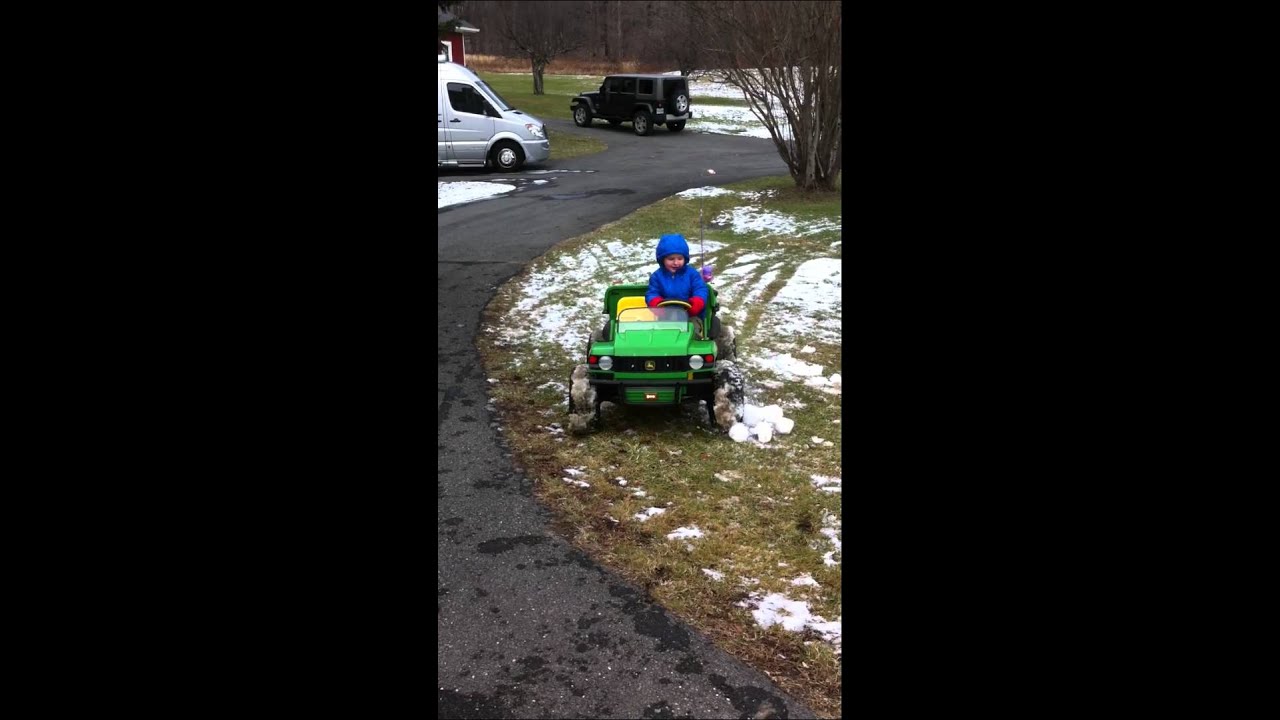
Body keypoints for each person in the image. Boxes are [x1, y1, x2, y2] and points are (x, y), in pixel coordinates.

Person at [646, 233, 709, 332]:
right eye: (671, 259)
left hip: (690, 316)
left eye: (680, 258)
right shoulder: (657, 277)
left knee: (692, 331)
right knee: (660, 333)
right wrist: (656, 304)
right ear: (663, 259)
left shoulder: (692, 274)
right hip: (666, 316)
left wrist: (697, 302)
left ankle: (694, 342)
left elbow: (700, 289)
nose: (676, 263)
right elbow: (652, 293)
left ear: (685, 258)